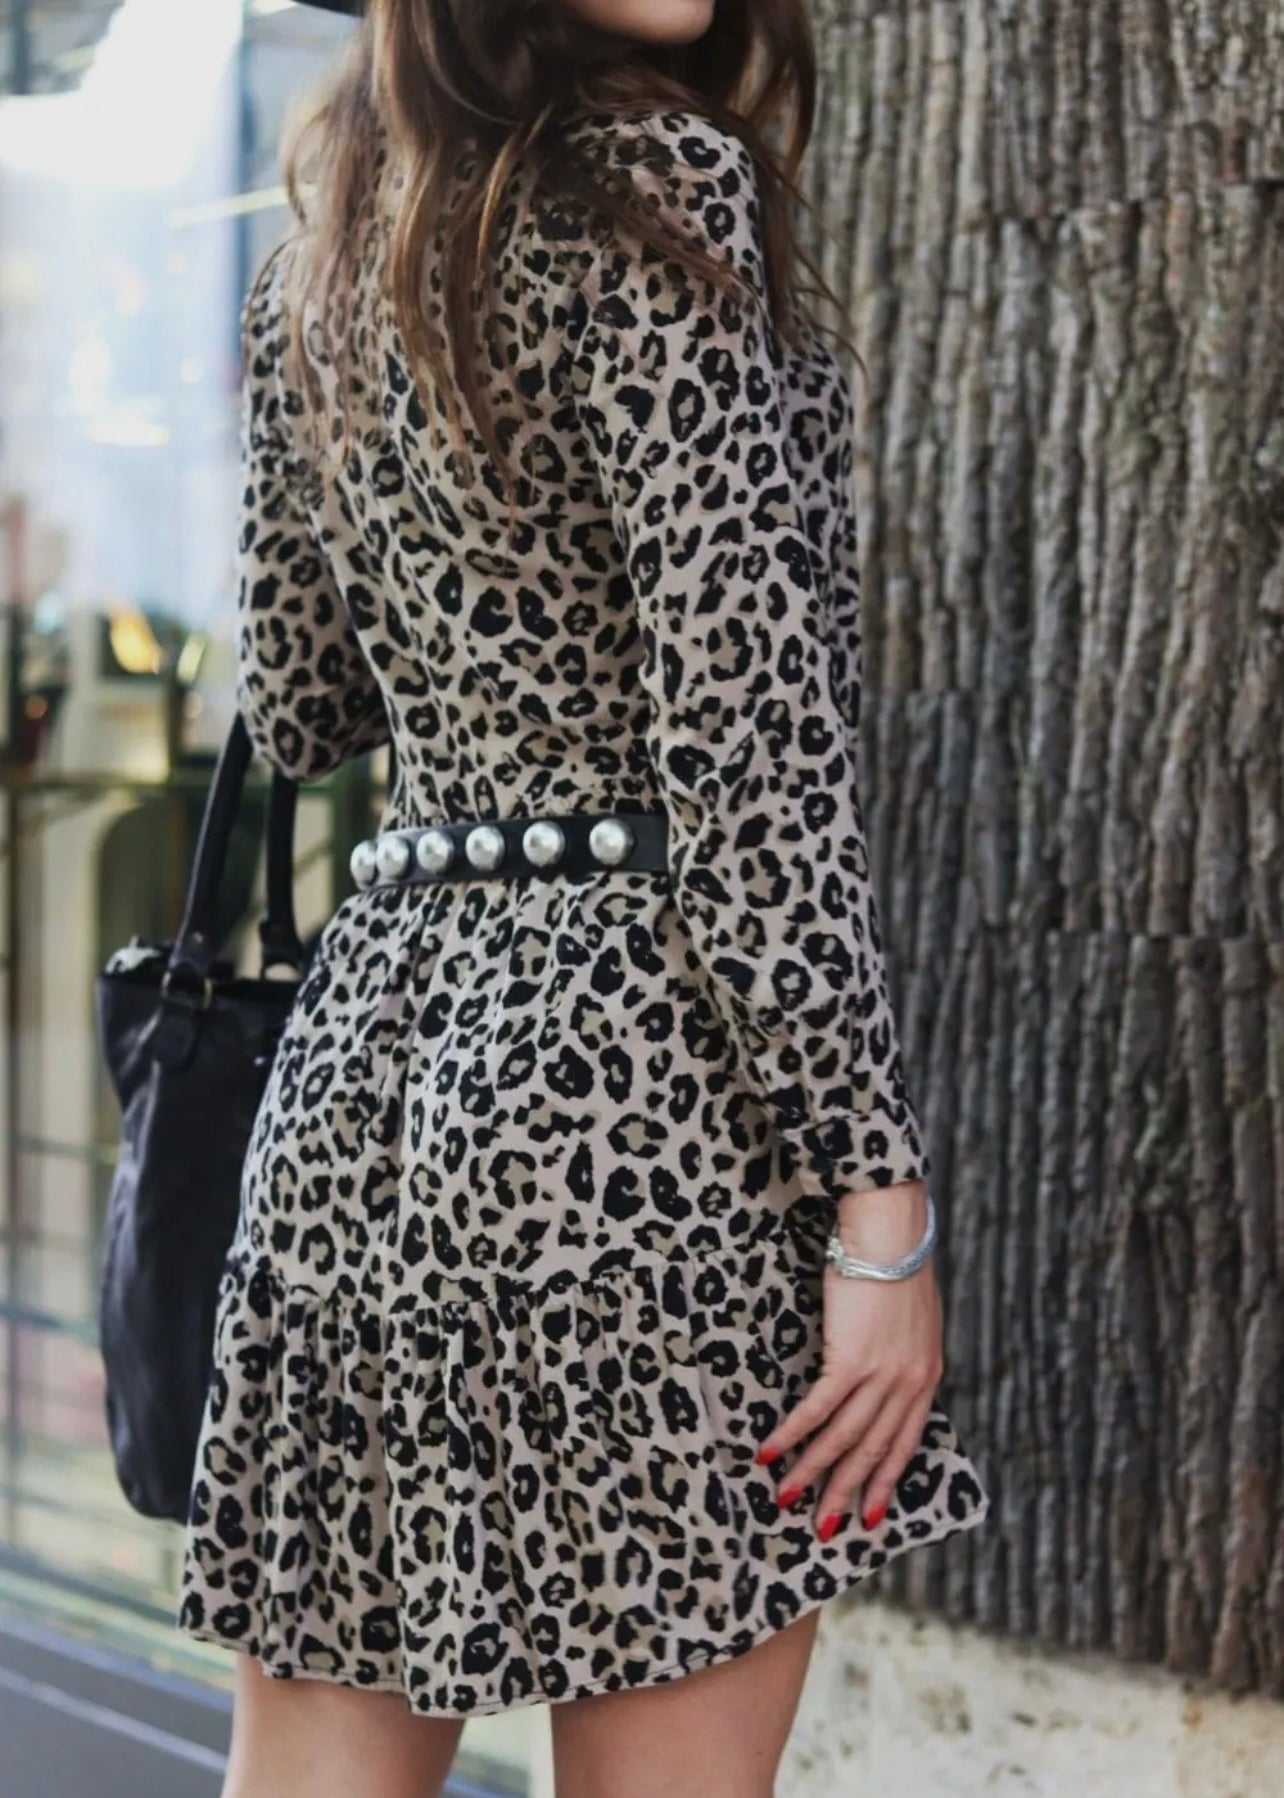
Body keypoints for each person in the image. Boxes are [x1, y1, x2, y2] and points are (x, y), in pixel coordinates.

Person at [177, 2, 989, 1794]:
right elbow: (750, 758)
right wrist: (876, 1199)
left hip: (368, 1092)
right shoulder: (657, 193)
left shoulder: (327, 241)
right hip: (637, 1094)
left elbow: (300, 702)